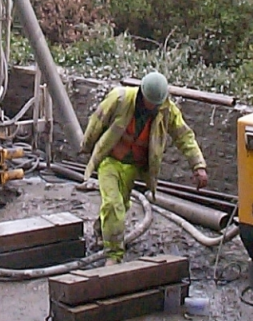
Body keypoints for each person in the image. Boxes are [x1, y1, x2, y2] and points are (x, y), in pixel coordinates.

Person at [81, 71, 208, 265]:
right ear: (141, 93)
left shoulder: (167, 111)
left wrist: (198, 165)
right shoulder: (120, 99)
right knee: (113, 204)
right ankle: (114, 255)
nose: (154, 108)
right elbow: (97, 121)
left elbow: (184, 136)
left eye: (158, 104)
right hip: (110, 160)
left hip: (133, 166)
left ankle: (101, 230)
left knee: (119, 206)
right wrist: (86, 147)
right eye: (151, 103)